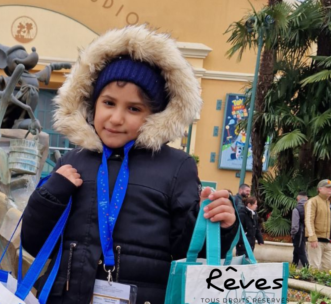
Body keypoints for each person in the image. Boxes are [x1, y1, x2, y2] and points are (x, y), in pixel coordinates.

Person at [21, 26, 237, 304]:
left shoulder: (176, 166)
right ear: (92, 103)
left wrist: (219, 223)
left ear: (155, 116)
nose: (116, 118)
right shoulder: (72, 160)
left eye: (134, 109)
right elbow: (33, 243)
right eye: (108, 103)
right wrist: (50, 194)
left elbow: (189, 253)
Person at [305, 179, 331, 271]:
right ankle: (311, 284)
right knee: (314, 266)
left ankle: (320, 284)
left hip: (330, 241)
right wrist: (312, 238)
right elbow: (308, 220)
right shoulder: (313, 201)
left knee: (329, 265)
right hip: (317, 240)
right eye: (327, 187)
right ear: (319, 189)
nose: (330, 189)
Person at [291, 191, 309, 268]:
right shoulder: (311, 208)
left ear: (298, 199)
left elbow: (295, 225)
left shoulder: (296, 209)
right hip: (308, 233)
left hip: (299, 233)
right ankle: (293, 267)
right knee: (296, 251)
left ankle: (307, 268)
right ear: (307, 198)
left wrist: (293, 234)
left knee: (301, 252)